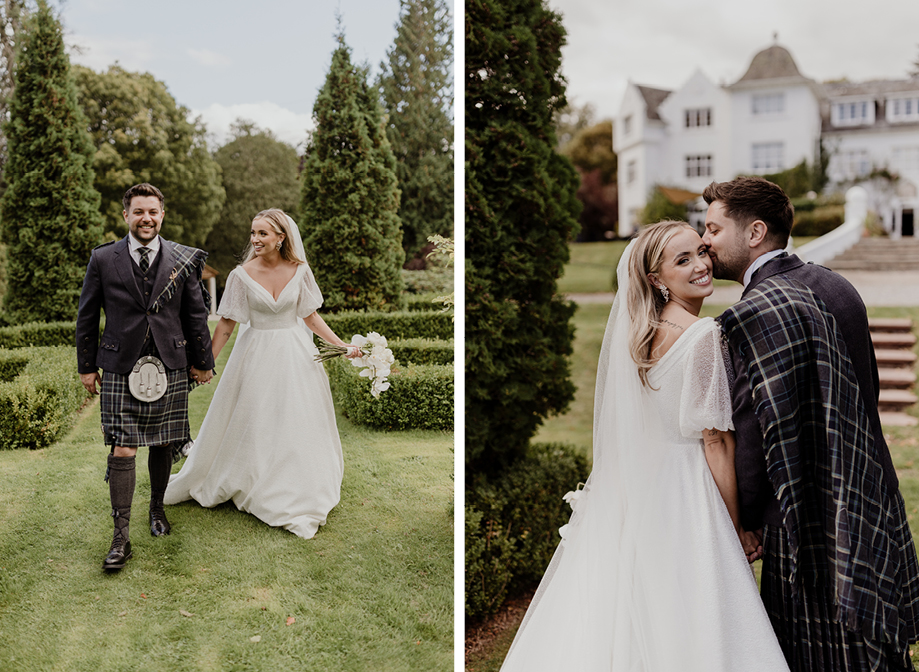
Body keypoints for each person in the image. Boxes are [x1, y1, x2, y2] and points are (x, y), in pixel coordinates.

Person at [500, 221, 789, 671]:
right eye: (683, 260)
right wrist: (736, 527)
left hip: (644, 490)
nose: (702, 265)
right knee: (697, 612)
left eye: (701, 252)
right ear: (656, 279)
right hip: (689, 494)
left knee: (642, 605)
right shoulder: (703, 335)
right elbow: (715, 441)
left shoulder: (640, 335)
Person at [703, 176, 919, 671]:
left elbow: (756, 432)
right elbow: (868, 393)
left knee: (812, 656)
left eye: (714, 229)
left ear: (755, 232)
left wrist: (747, 521)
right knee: (868, 646)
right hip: (864, 494)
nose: (705, 241)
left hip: (799, 521)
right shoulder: (837, 284)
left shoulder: (756, 311)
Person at [164, 209, 358, 539]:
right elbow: (226, 324)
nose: (254, 239)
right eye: (253, 233)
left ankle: (296, 483)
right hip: (254, 354)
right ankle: (248, 477)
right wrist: (207, 363)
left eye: (262, 234)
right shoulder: (241, 275)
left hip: (295, 355)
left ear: (281, 237)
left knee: (296, 417)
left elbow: (310, 317)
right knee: (256, 416)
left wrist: (341, 344)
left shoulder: (300, 270)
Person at [76, 182, 216, 571]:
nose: (146, 218)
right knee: (122, 446)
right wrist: (87, 366)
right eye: (138, 211)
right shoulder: (104, 258)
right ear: (126, 215)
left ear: (162, 215)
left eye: (152, 211)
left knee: (163, 442)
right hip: (121, 365)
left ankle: (157, 510)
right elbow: (88, 315)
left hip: (169, 361)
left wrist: (203, 360)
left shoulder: (182, 259)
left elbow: (195, 314)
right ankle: (120, 535)